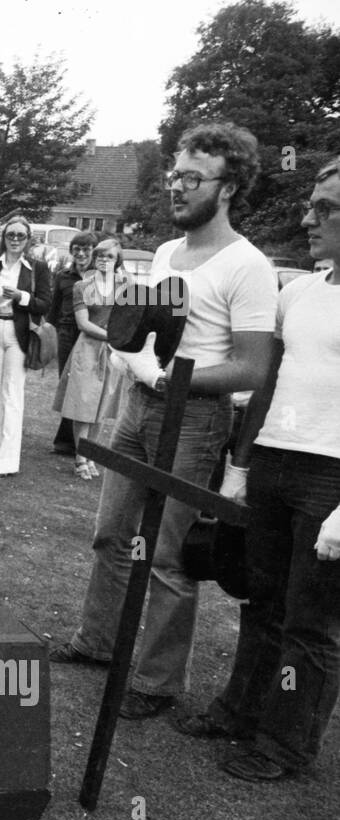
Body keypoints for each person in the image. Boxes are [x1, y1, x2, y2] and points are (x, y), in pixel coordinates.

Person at [52, 123, 277, 721]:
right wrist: (139, 366)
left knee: (169, 555)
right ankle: (98, 642)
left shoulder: (249, 266)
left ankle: (155, 681)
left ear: (228, 188)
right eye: (175, 175)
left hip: (195, 419)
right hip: (141, 405)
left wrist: (169, 380)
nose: (176, 187)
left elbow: (252, 367)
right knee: (111, 533)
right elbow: (141, 328)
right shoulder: (166, 253)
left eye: (191, 178)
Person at [173, 157, 340, 780]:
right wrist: (241, 464)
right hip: (273, 462)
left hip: (332, 477)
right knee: (261, 601)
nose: (308, 217)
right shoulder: (298, 291)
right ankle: (239, 711)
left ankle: (286, 744)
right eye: (310, 203)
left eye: (326, 208)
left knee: (311, 622)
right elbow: (266, 384)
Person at [0, 215, 51, 477]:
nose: (15, 239)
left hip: (18, 335)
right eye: (11, 234)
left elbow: (45, 304)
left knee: (11, 396)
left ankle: (3, 461)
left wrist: (22, 297)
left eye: (21, 235)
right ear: (4, 238)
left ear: (28, 240)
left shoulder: (37, 268)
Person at [52, 238, 127, 480]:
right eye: (101, 256)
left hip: (113, 353)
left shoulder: (127, 285)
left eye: (110, 257)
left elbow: (133, 317)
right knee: (82, 405)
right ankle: (80, 457)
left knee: (101, 406)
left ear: (118, 261)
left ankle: (91, 456)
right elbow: (84, 324)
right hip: (88, 348)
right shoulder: (82, 286)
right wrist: (114, 337)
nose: (104, 260)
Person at [49, 231, 99, 454]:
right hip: (67, 332)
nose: (81, 253)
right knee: (68, 383)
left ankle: (76, 442)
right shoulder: (63, 276)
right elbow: (53, 308)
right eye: (76, 249)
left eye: (86, 249)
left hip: (90, 334)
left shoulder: (101, 276)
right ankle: (66, 441)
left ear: (93, 252)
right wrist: (50, 333)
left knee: (85, 387)